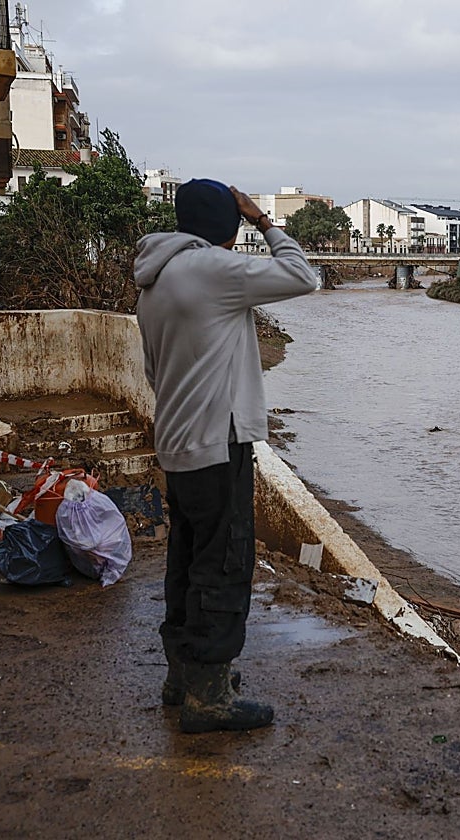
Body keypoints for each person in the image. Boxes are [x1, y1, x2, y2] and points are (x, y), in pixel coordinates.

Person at [134, 179, 316, 733]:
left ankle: (182, 676)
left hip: (177, 441)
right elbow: (303, 276)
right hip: (219, 443)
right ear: (225, 224)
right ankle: (209, 699)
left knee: (186, 561)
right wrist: (264, 219)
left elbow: (151, 370)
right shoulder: (212, 270)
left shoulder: (155, 279)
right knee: (224, 563)